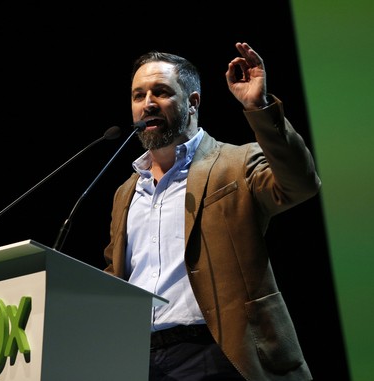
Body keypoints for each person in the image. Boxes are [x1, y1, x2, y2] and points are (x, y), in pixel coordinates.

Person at [102, 42, 320, 380]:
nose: (148, 104)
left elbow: (300, 184)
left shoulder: (236, 162)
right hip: (138, 358)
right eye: (138, 95)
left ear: (193, 102)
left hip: (219, 354)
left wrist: (258, 106)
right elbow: (118, 275)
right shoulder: (126, 192)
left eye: (160, 92)